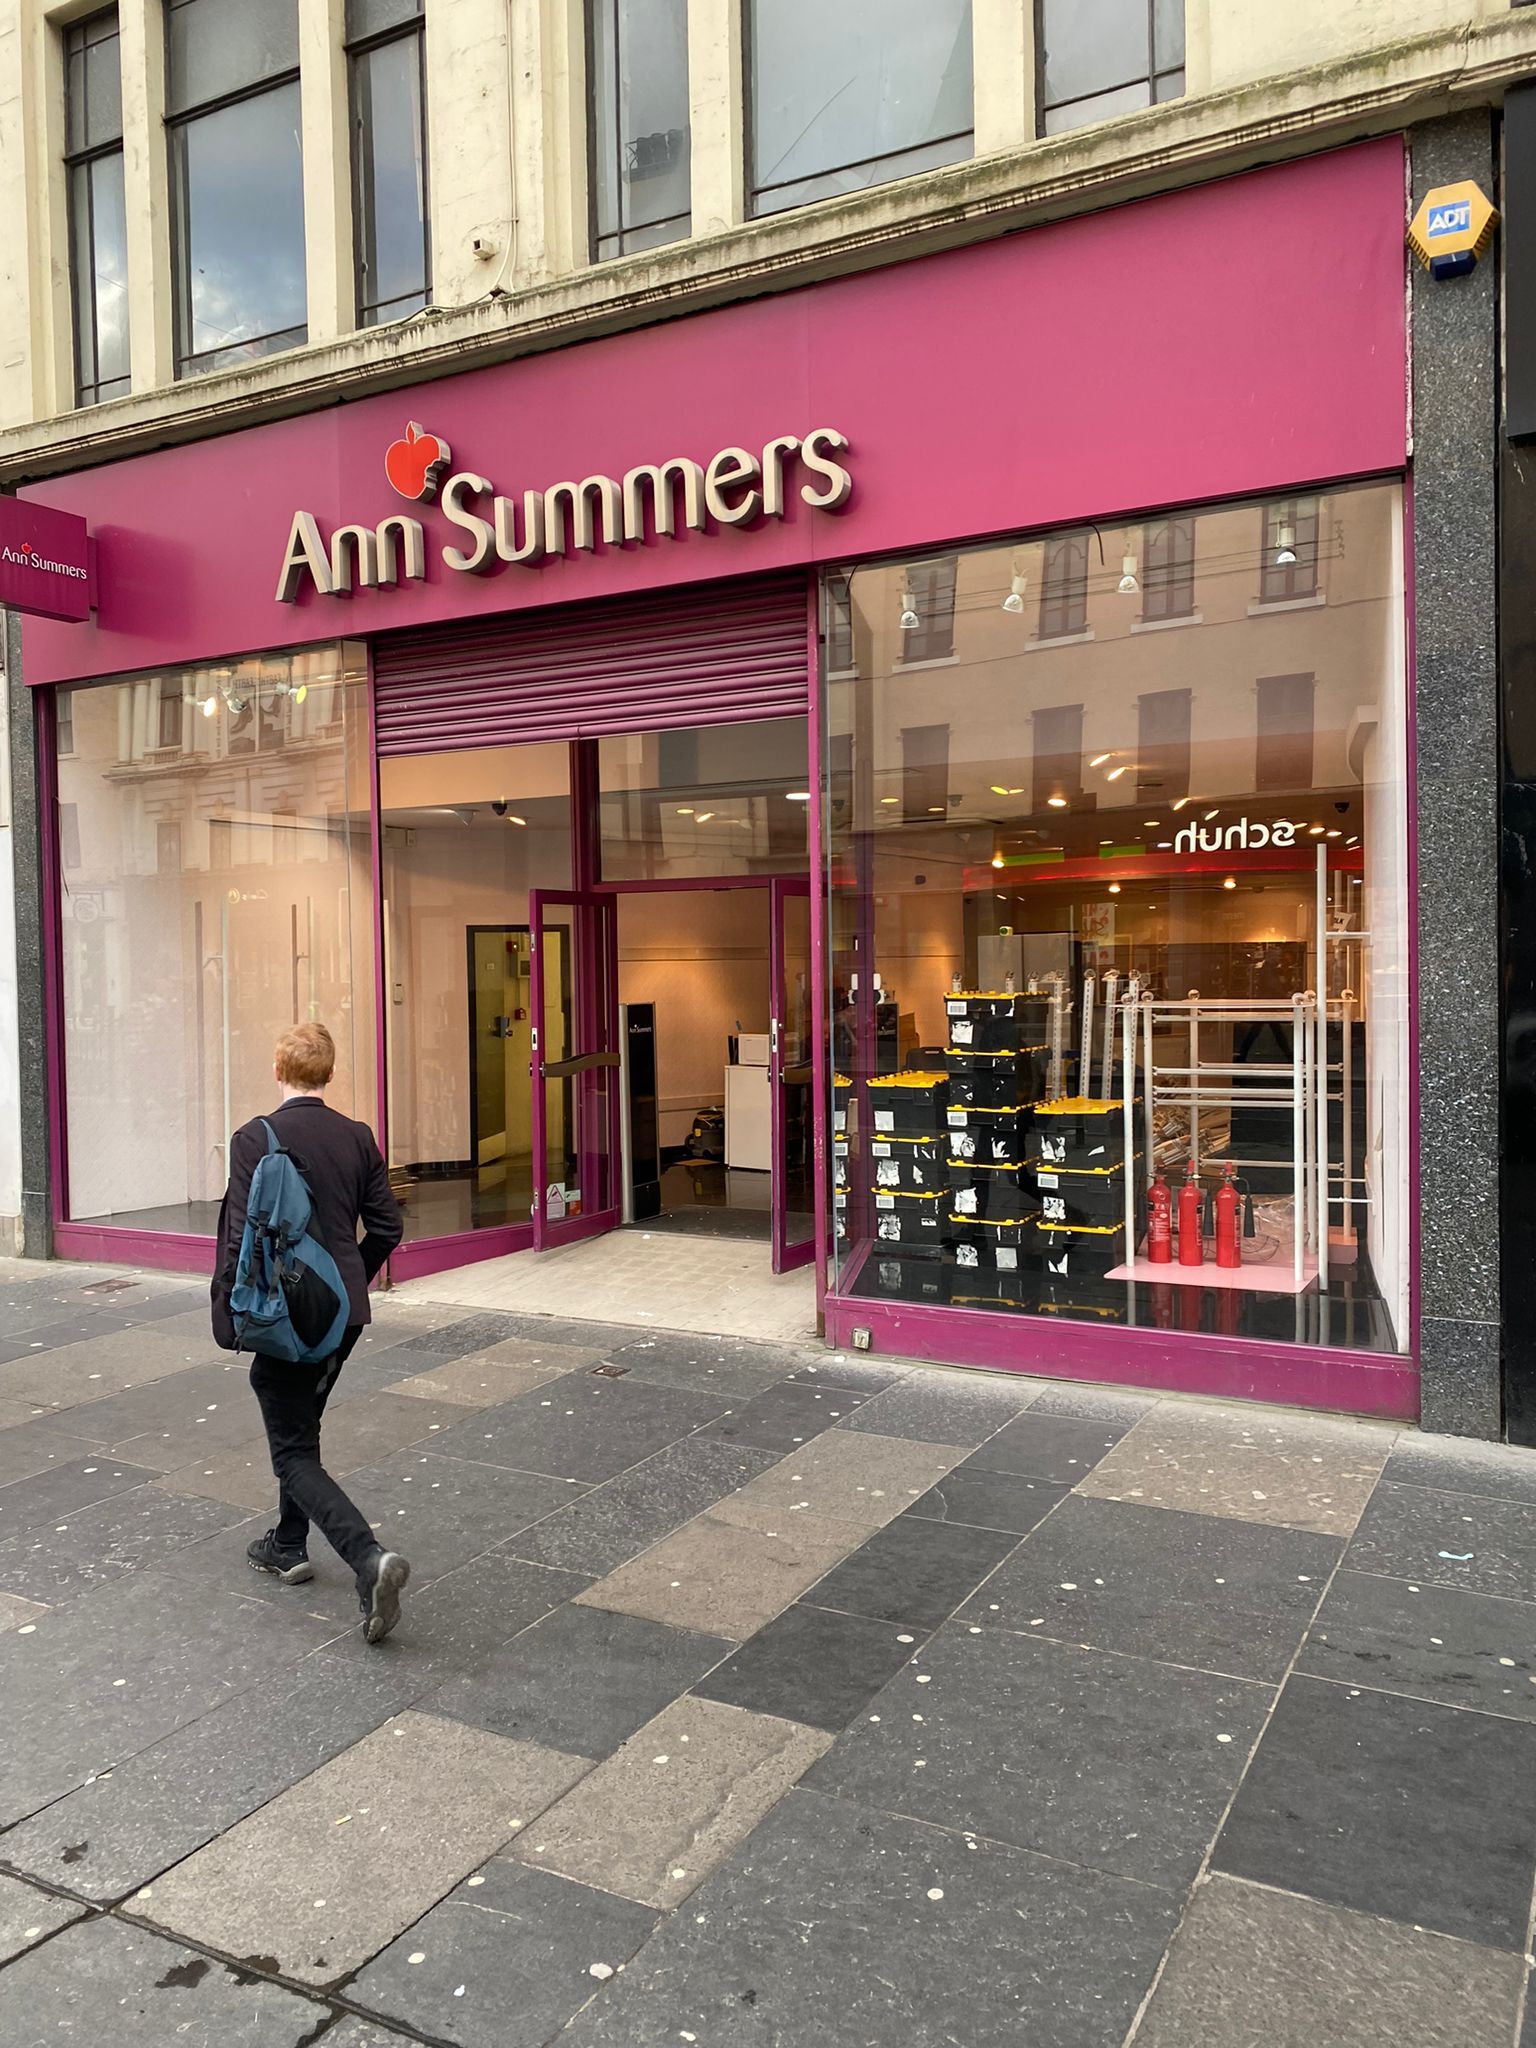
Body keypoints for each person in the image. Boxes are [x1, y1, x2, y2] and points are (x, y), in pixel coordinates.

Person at [211, 1022, 410, 1644]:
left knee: (291, 1448)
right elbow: (387, 1228)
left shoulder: (255, 1137)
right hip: (343, 1313)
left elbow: (240, 1237)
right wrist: (348, 1279)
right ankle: (288, 1543)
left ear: (279, 1071)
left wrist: (226, 1310)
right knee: (303, 1420)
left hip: (282, 1313)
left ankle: (367, 1558)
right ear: (330, 1074)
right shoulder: (356, 1136)